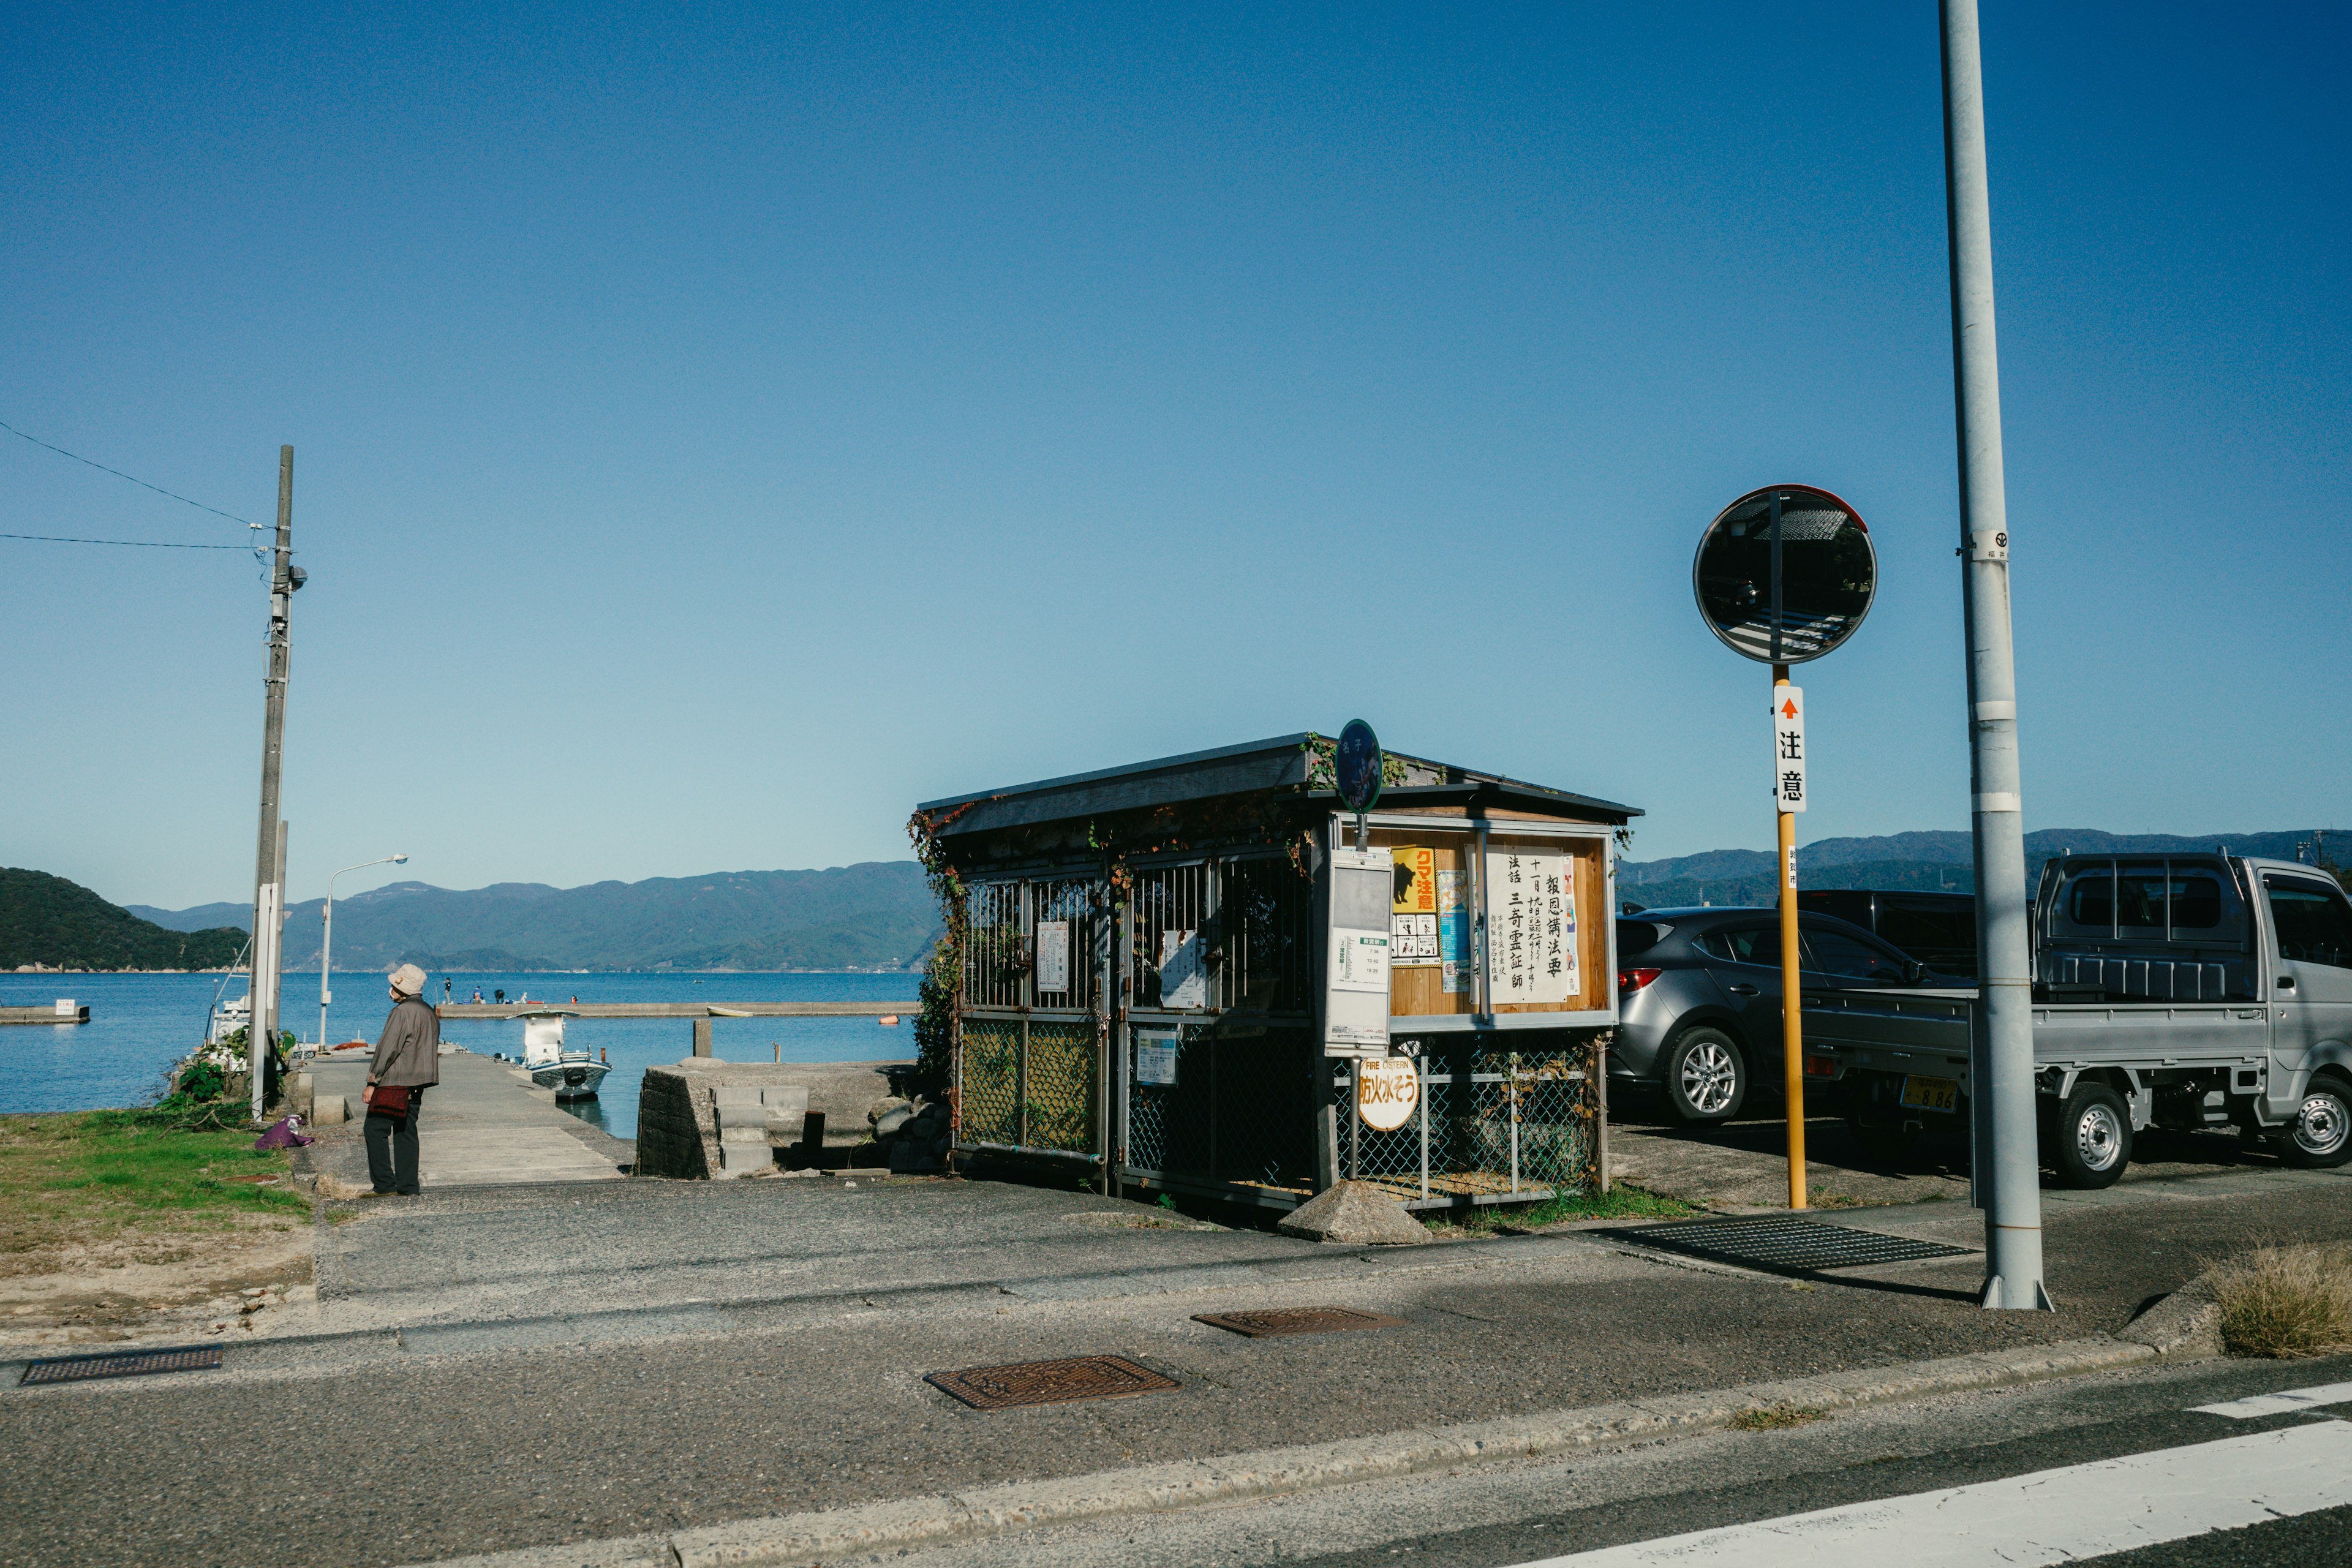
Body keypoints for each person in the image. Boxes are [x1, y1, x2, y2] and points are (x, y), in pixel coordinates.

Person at [363, 963, 440, 1196]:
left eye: (392, 986)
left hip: (395, 1081)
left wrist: (372, 1081)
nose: (390, 990)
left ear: (402, 988)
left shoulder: (402, 1012)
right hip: (418, 1083)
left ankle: (385, 1184)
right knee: (405, 1130)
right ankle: (408, 1186)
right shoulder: (428, 1011)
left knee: (374, 1128)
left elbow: (387, 1049)